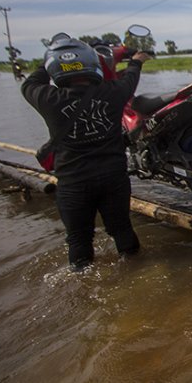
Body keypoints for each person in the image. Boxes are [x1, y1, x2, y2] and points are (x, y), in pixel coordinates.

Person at [22, 36, 151, 270]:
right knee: (122, 230)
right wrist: (136, 61)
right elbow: (131, 78)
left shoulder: (48, 98)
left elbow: (29, 83)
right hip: (113, 178)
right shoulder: (114, 91)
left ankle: (83, 288)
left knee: (79, 241)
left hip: (73, 184)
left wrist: (47, 62)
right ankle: (135, 269)